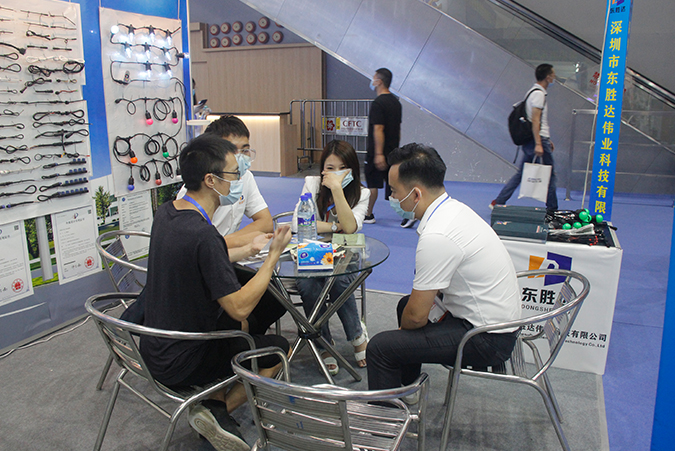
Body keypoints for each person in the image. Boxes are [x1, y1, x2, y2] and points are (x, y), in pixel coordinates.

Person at [141, 134, 291, 451]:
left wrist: (247, 249)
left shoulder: (167, 214)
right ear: (211, 180)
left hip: (154, 346)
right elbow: (239, 307)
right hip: (185, 360)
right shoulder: (204, 235)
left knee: (245, 325)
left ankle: (215, 406)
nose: (237, 182)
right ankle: (212, 411)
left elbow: (198, 259)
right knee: (278, 348)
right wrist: (273, 256)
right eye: (234, 174)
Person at [366, 143, 521, 392]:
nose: (392, 198)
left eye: (394, 191)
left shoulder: (438, 235)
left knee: (380, 348)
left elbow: (416, 317)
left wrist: (403, 336)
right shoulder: (454, 209)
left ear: (416, 195)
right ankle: (407, 388)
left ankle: (387, 413)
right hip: (495, 321)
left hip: (487, 338)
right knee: (405, 305)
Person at [177, 115, 286, 337]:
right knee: (242, 313)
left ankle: (250, 343)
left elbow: (265, 223)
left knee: (276, 299)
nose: (240, 158)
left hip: (225, 258)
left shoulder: (244, 178)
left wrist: (222, 245)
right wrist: (215, 246)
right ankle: (245, 345)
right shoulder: (192, 199)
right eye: (232, 151)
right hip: (201, 276)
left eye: (245, 150)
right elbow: (194, 252)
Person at [291, 140, 370, 375]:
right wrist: (335, 227)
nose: (335, 174)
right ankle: (323, 342)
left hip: (345, 253)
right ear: (322, 169)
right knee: (307, 285)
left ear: (352, 170)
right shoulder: (312, 183)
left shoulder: (362, 193)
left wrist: (337, 190)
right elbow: (298, 223)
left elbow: (351, 227)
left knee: (340, 280)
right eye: (330, 168)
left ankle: (357, 335)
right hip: (313, 251)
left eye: (342, 168)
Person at [491, 64, 559, 212]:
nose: (554, 77)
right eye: (553, 74)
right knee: (550, 174)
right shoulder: (539, 95)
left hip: (534, 139)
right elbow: (536, 120)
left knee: (522, 173)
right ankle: (552, 209)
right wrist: (540, 143)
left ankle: (499, 201)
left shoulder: (532, 92)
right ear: (547, 77)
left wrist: (545, 140)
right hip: (537, 140)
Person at [362, 68, 406, 227]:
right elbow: (398, 129)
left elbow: (378, 128)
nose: (372, 80)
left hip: (377, 151)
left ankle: (368, 214)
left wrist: (378, 153)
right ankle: (409, 213)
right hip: (392, 151)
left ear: (379, 82)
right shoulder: (396, 103)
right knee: (393, 186)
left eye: (374, 78)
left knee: (372, 184)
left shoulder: (378, 103)